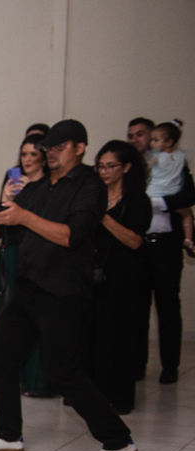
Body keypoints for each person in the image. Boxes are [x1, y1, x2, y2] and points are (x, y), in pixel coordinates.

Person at [0, 120, 137, 451]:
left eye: (59, 147)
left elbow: (71, 236)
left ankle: (118, 441)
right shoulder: (38, 187)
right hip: (29, 286)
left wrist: (24, 215)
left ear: (79, 148)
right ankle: (8, 434)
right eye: (49, 147)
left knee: (62, 371)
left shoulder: (90, 186)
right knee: (1, 359)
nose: (52, 153)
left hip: (64, 290)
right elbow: (2, 228)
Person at [127, 116, 195, 384]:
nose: (136, 140)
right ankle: (138, 364)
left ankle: (170, 367)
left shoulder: (175, 162)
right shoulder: (130, 165)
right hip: (137, 245)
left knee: (167, 306)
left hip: (165, 245)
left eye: (141, 135)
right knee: (137, 307)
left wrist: (157, 202)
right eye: (131, 135)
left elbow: (189, 197)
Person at [85, 140, 151, 414]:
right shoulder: (92, 195)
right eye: (100, 166)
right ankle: (90, 396)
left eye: (110, 166)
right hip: (91, 276)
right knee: (91, 336)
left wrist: (104, 218)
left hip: (124, 278)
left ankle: (120, 398)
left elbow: (135, 241)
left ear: (126, 167)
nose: (104, 172)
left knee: (119, 338)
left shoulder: (137, 200)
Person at [0, 134, 50, 396]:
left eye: (34, 154)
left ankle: (36, 381)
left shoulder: (49, 188)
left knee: (33, 321)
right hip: (9, 254)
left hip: (37, 258)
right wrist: (1, 199)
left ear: (44, 156)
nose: (28, 159)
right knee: (2, 317)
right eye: (24, 154)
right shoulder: (12, 185)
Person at [147, 121, 195, 253]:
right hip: (143, 238)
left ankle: (189, 240)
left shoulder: (155, 158)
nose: (151, 143)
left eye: (155, 140)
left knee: (186, 212)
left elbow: (189, 196)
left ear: (168, 142)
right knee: (187, 214)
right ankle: (189, 240)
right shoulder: (180, 157)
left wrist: (157, 202)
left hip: (167, 241)